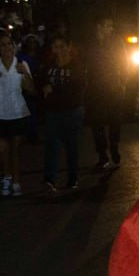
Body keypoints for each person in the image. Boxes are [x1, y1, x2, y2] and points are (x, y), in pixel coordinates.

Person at [0, 31, 34, 197]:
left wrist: (25, 75)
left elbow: (30, 89)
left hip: (17, 111)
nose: (7, 48)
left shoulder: (21, 64)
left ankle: (16, 181)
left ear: (14, 47)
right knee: (2, 149)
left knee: (15, 149)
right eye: (3, 45)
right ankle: (6, 177)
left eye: (9, 44)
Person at [40, 37, 85, 192]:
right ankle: (49, 179)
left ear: (68, 47)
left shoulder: (76, 66)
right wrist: (44, 88)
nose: (58, 50)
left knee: (72, 145)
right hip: (53, 111)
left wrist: (55, 90)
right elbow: (42, 81)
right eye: (55, 47)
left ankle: (73, 178)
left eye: (61, 46)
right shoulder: (49, 65)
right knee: (52, 144)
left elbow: (77, 89)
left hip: (72, 110)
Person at [84, 15, 126, 170]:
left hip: (113, 86)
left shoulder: (116, 42)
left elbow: (124, 61)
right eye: (108, 25)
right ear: (99, 26)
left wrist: (123, 82)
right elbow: (85, 64)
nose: (112, 29)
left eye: (112, 26)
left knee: (115, 120)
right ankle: (102, 154)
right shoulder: (90, 43)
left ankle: (114, 148)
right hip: (95, 88)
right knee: (97, 122)